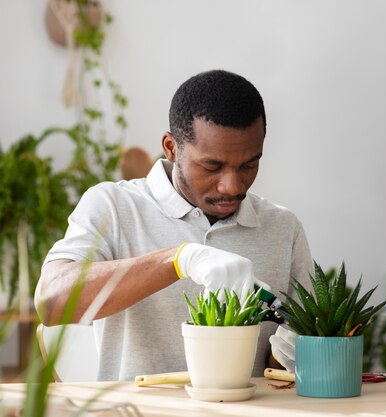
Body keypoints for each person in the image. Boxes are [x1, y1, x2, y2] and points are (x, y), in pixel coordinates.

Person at [34, 69, 313, 381]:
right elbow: (51, 302)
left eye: (249, 164)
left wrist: (294, 349)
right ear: (171, 147)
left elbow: (287, 369)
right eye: (212, 166)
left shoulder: (283, 227)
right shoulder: (113, 206)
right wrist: (178, 260)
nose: (232, 186)